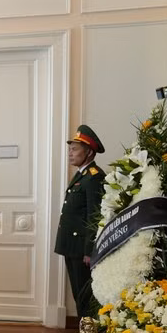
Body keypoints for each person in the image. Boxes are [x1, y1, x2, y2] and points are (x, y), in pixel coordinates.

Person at [54, 124, 105, 319]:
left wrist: (89, 250)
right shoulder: (82, 174)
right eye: (70, 149)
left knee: (85, 295)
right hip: (72, 244)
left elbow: (95, 215)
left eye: (74, 149)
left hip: (82, 247)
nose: (70, 153)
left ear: (89, 152)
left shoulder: (94, 177)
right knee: (78, 293)